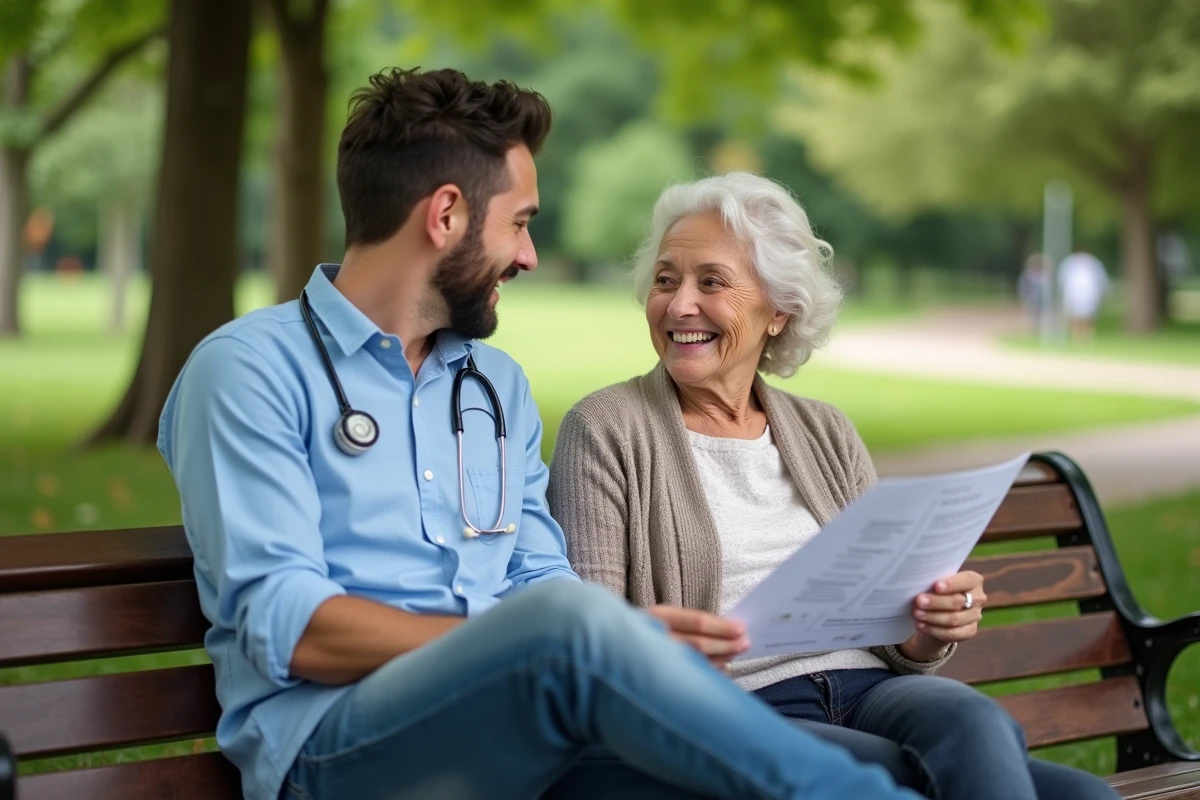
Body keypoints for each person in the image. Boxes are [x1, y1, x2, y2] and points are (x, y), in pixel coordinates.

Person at [156, 70, 921, 800]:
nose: (527, 254)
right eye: (519, 223)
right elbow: (291, 632)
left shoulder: (495, 388)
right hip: (335, 749)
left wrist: (604, 643)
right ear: (445, 214)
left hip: (529, 738)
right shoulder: (249, 371)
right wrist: (534, 643)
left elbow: (542, 583)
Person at [547, 171, 1121, 800]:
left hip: (873, 689)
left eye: (711, 281)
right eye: (665, 280)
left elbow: (894, 632)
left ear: (778, 310)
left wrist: (928, 625)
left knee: (980, 722)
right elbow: (590, 634)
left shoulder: (826, 430)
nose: (680, 304)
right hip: (737, 711)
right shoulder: (605, 427)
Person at [1058, 250, 1109, 342]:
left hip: (1089, 293)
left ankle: (1086, 337)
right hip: (1073, 293)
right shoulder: (1070, 263)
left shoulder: (1093, 263)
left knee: (1088, 316)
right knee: (1074, 316)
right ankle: (1076, 337)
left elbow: (1101, 279)